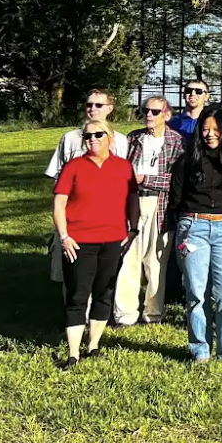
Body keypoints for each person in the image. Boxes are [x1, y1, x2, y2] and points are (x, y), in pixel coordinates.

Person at [168, 107, 222, 364]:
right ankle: (200, 350)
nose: (209, 134)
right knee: (196, 291)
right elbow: (176, 200)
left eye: (216, 130)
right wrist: (184, 225)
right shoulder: (187, 161)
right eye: (205, 129)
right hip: (193, 227)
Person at [52, 120, 138, 367]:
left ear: (109, 137)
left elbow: (133, 198)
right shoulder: (74, 167)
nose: (92, 139)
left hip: (113, 240)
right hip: (79, 242)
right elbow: (59, 203)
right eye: (87, 135)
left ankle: (93, 345)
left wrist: (133, 229)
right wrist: (64, 236)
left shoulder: (123, 167)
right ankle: (73, 353)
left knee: (104, 293)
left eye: (98, 134)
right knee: (78, 295)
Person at [116, 97, 184, 327]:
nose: (149, 115)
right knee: (128, 258)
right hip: (132, 202)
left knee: (155, 261)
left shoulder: (177, 142)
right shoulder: (133, 138)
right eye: (145, 110)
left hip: (161, 205)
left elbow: (177, 181)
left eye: (155, 111)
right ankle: (125, 314)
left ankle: (153, 313)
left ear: (167, 115)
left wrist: (146, 179)